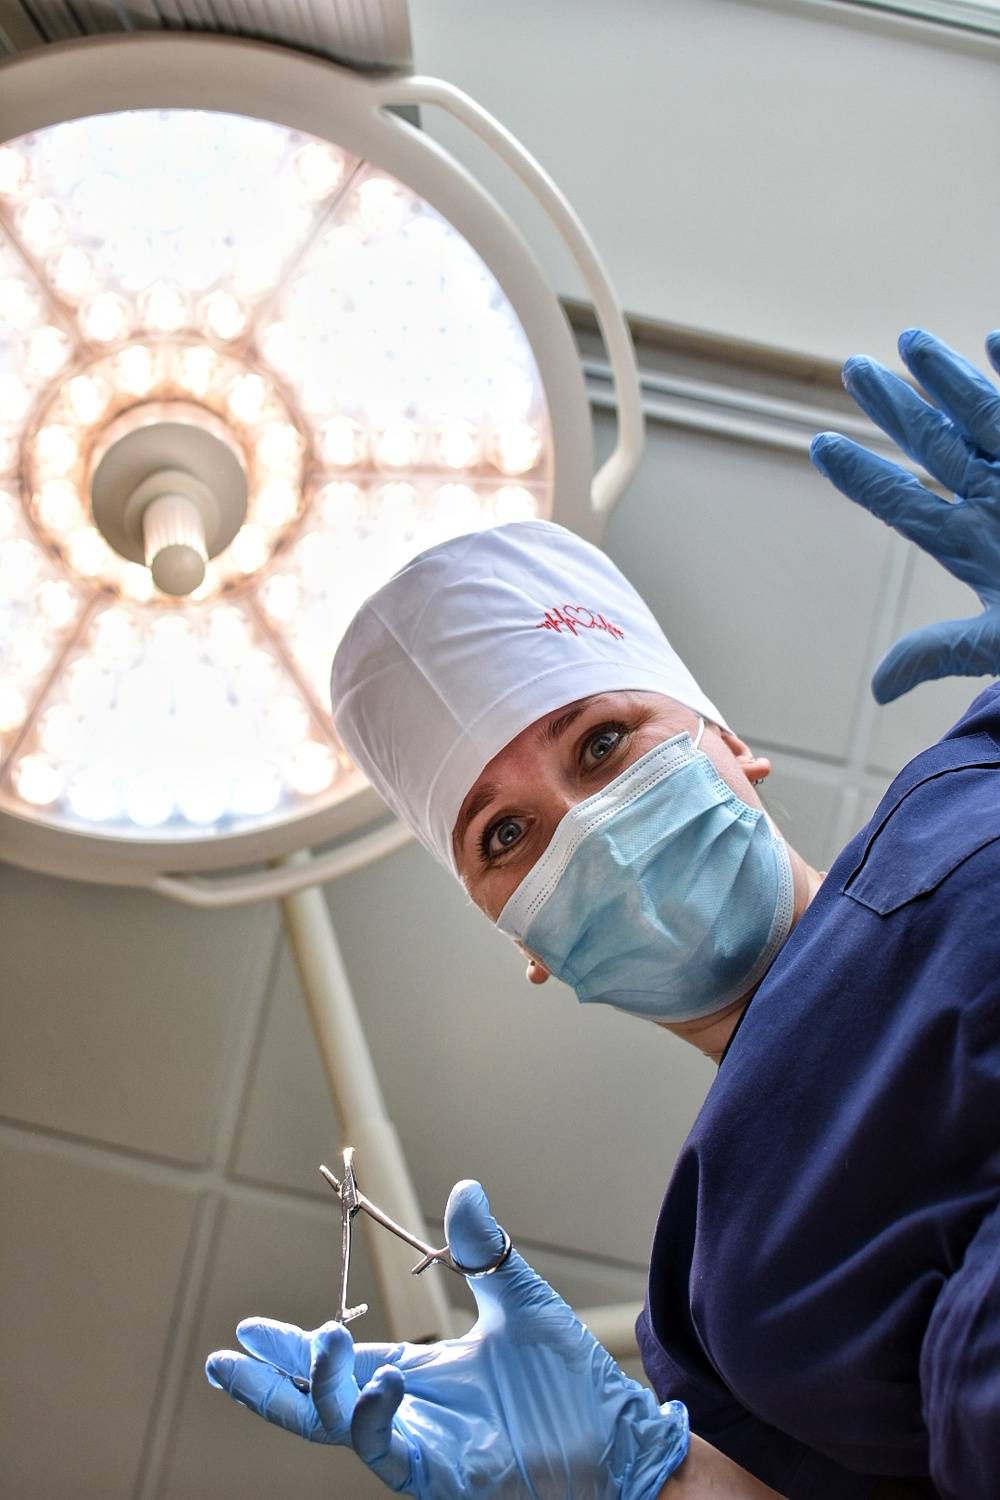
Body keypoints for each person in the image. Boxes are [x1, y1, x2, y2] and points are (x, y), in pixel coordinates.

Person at [205, 328, 1000, 1498]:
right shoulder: (703, 1308)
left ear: (727, 742)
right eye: (505, 836)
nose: (591, 830)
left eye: (604, 741)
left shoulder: (972, 787)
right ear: (523, 945)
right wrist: (637, 1476)